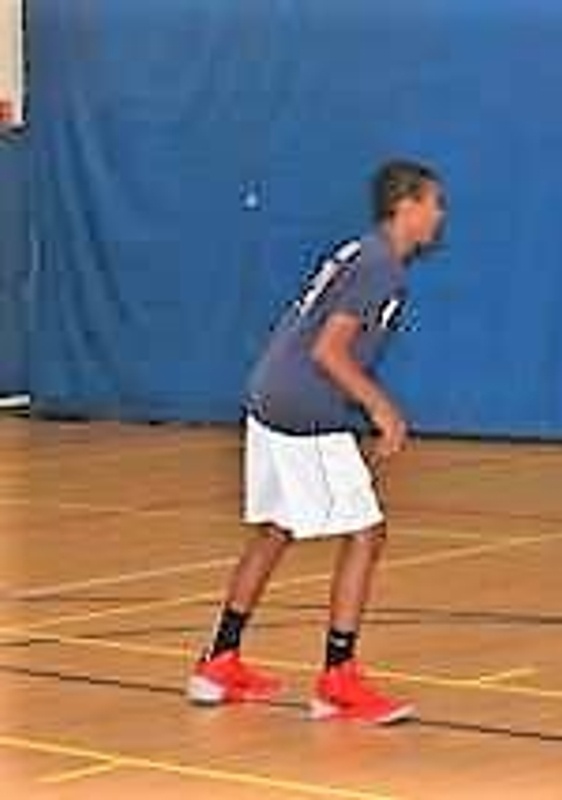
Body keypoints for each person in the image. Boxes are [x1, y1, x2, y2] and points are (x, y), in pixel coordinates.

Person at [186, 159, 445, 722]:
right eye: (434, 203)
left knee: (276, 529)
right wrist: (383, 409)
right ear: (407, 206)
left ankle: (218, 661)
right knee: (366, 534)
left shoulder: (359, 252)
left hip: (267, 393)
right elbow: (328, 351)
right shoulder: (381, 267)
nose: (439, 214)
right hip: (303, 406)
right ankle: (338, 678)